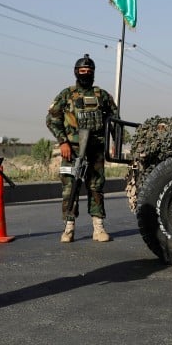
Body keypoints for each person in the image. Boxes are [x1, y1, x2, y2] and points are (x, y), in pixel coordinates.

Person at [46, 54, 118, 243]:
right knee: (70, 188)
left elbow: (114, 120)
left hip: (95, 150)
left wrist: (114, 144)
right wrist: (63, 142)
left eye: (89, 71)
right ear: (76, 72)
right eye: (82, 71)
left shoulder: (102, 95)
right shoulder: (66, 94)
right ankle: (69, 228)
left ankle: (98, 228)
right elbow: (52, 119)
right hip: (72, 151)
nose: (85, 74)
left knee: (96, 187)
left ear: (93, 73)